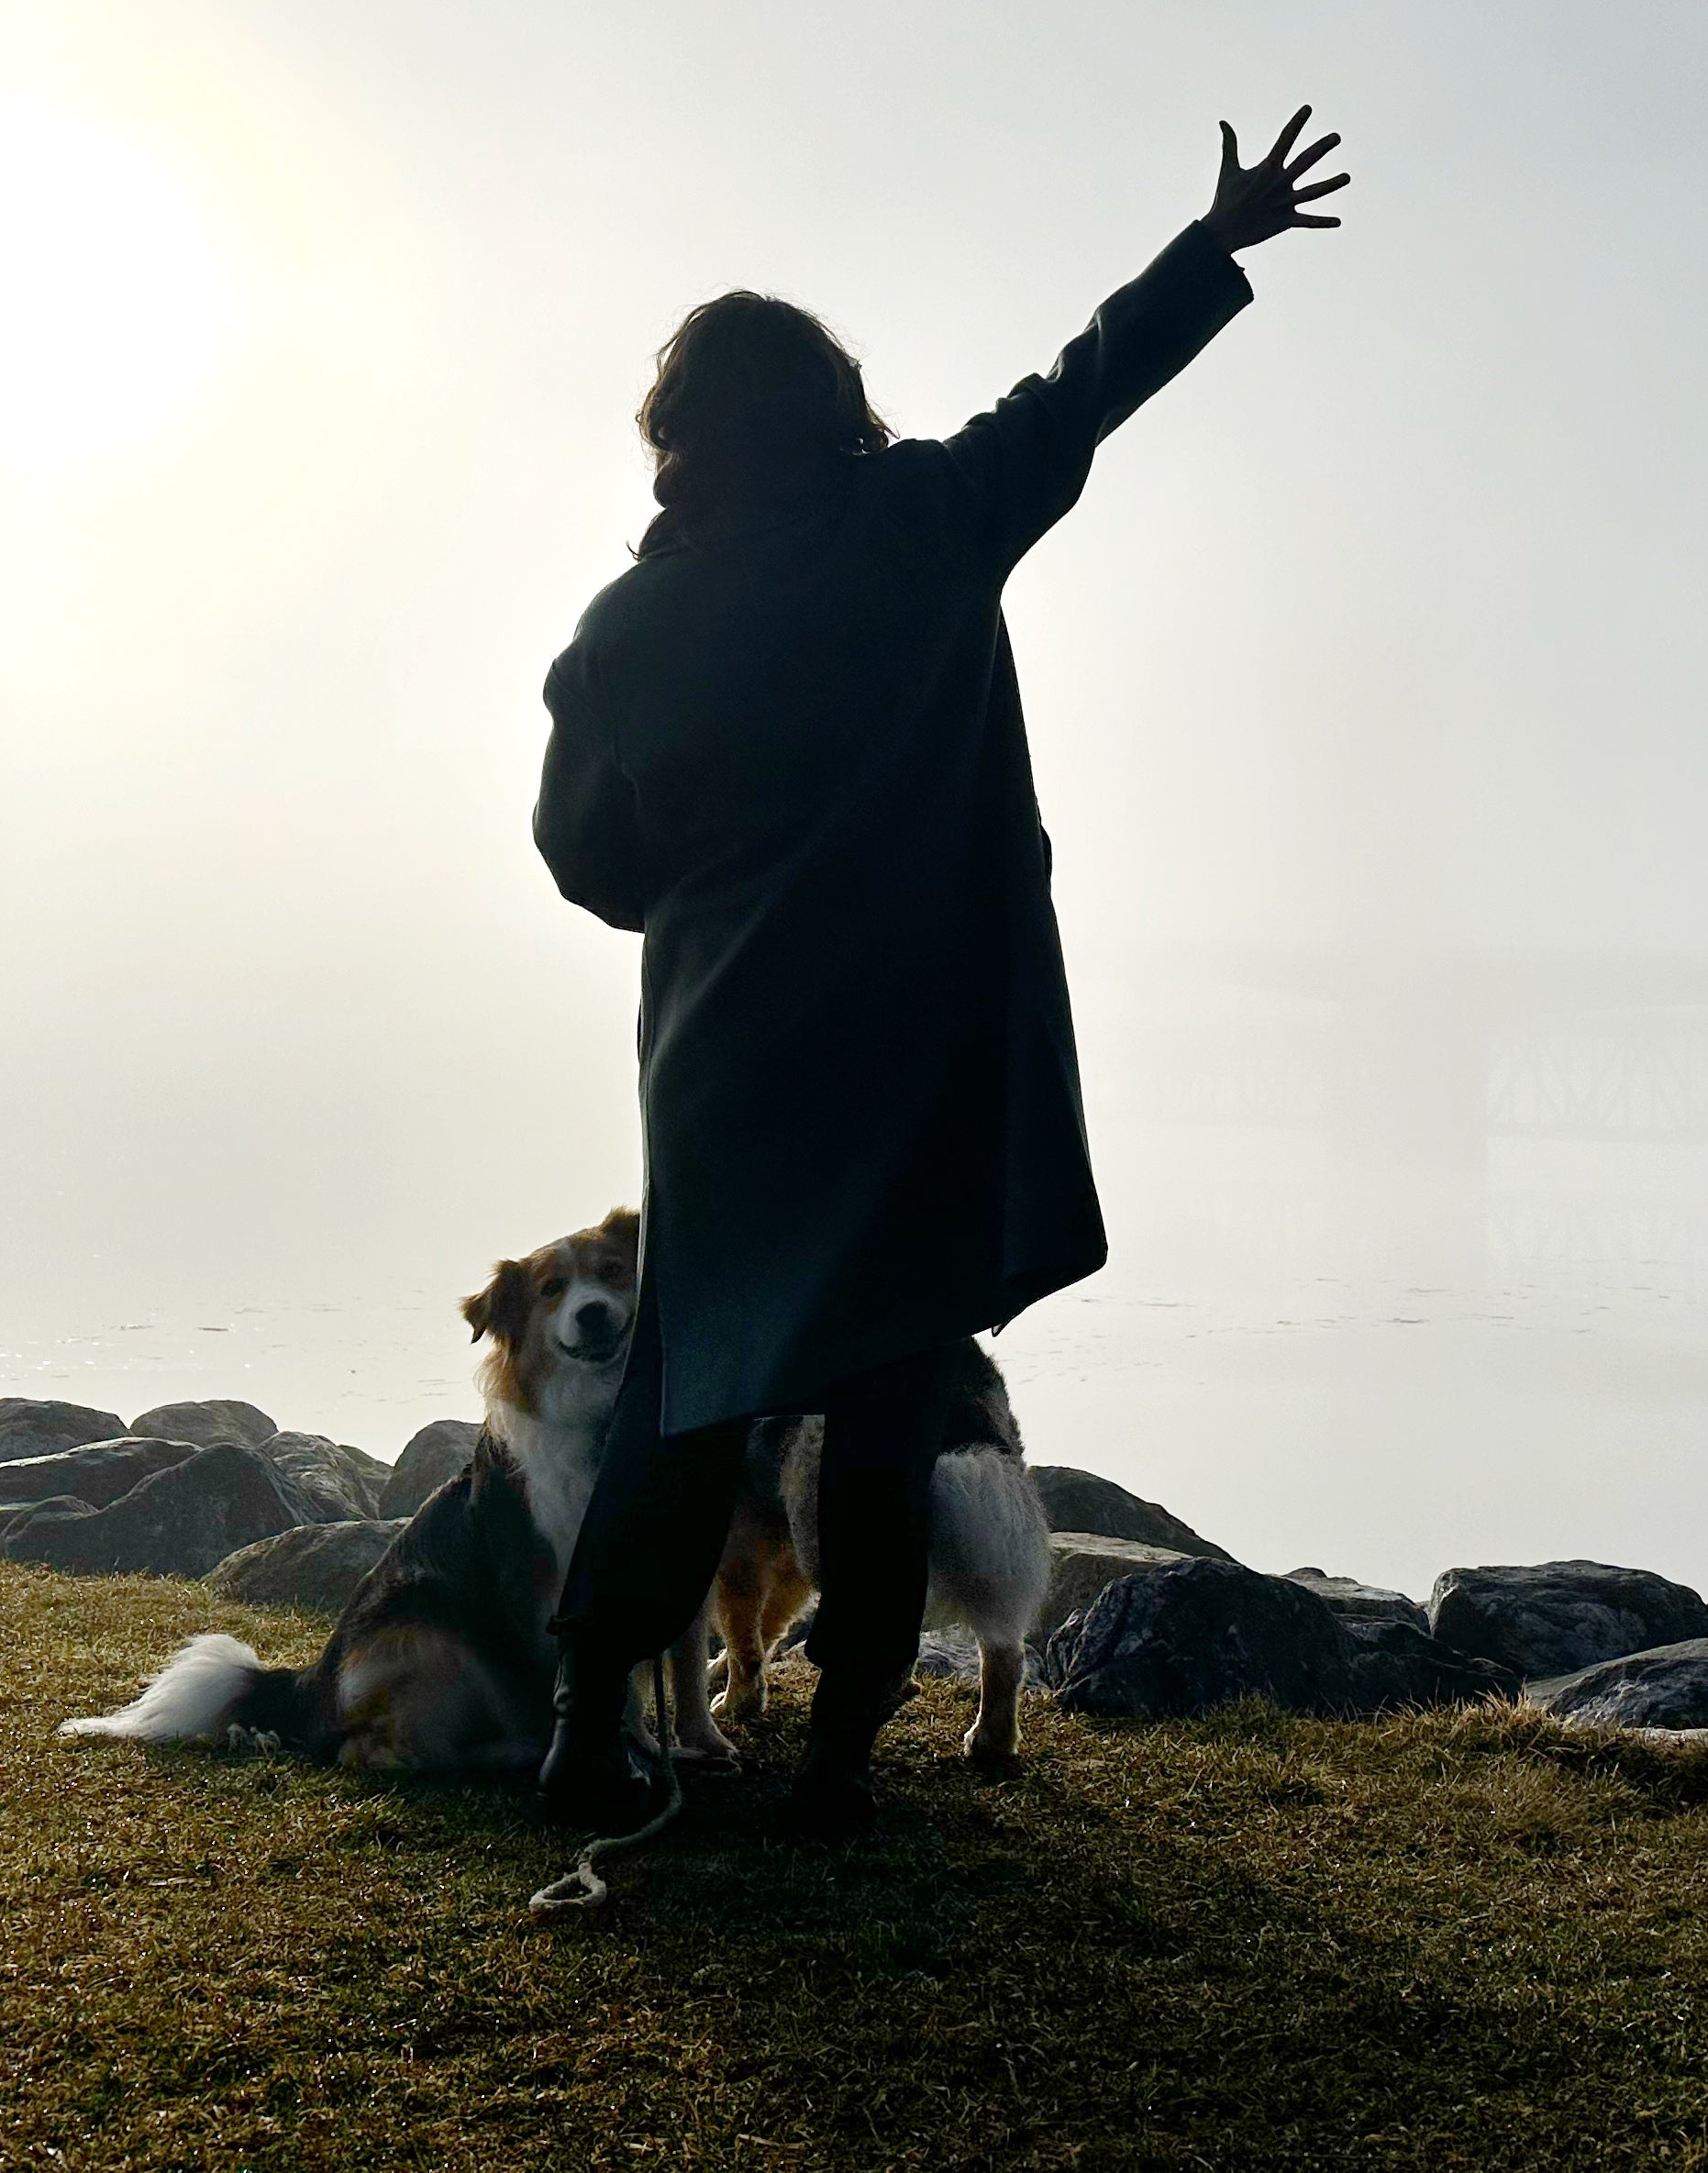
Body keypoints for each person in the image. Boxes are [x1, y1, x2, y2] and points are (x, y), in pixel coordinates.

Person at [530, 108, 1349, 1835]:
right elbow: (1079, 394)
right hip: (908, 1049)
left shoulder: (625, 632)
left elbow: (582, 859)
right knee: (886, 1404)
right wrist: (1217, 246)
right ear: (834, 408)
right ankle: (839, 1761)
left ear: (678, 441)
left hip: (727, 1053)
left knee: (684, 1397)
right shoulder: (919, 521)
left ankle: (586, 1727)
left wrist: (712, 897)